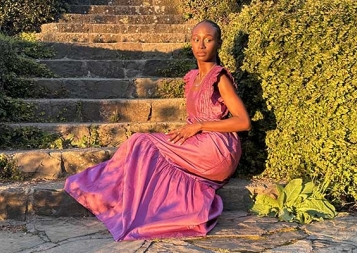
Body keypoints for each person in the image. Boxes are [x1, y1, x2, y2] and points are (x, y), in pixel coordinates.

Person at [64, 20, 251, 241]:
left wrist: (199, 126)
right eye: (196, 39)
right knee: (142, 144)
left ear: (218, 44)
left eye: (208, 40)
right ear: (190, 43)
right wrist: (191, 128)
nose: (201, 45)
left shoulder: (219, 77)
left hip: (218, 149)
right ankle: (112, 197)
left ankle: (104, 194)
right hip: (201, 143)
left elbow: (243, 122)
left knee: (141, 141)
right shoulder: (192, 78)